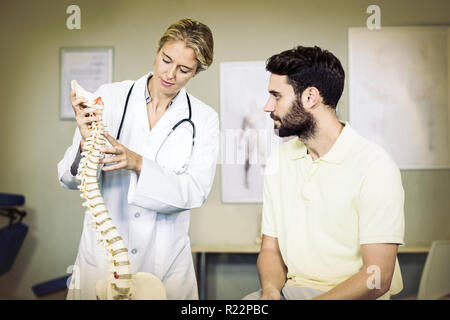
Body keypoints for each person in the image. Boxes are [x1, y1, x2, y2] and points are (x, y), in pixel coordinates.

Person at [57, 18, 219, 300]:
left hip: (166, 264)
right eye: (166, 60)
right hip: (102, 257)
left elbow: (195, 191)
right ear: (157, 51)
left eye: (184, 69)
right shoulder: (109, 98)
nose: (170, 73)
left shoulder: (204, 120)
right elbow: (70, 179)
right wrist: (86, 144)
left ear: (197, 71)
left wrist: (139, 163)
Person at [243, 46, 405, 300]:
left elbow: (378, 277)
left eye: (276, 96)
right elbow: (271, 250)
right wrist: (272, 291)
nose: (267, 106)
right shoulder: (279, 161)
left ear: (310, 97)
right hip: (292, 292)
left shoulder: (375, 166)